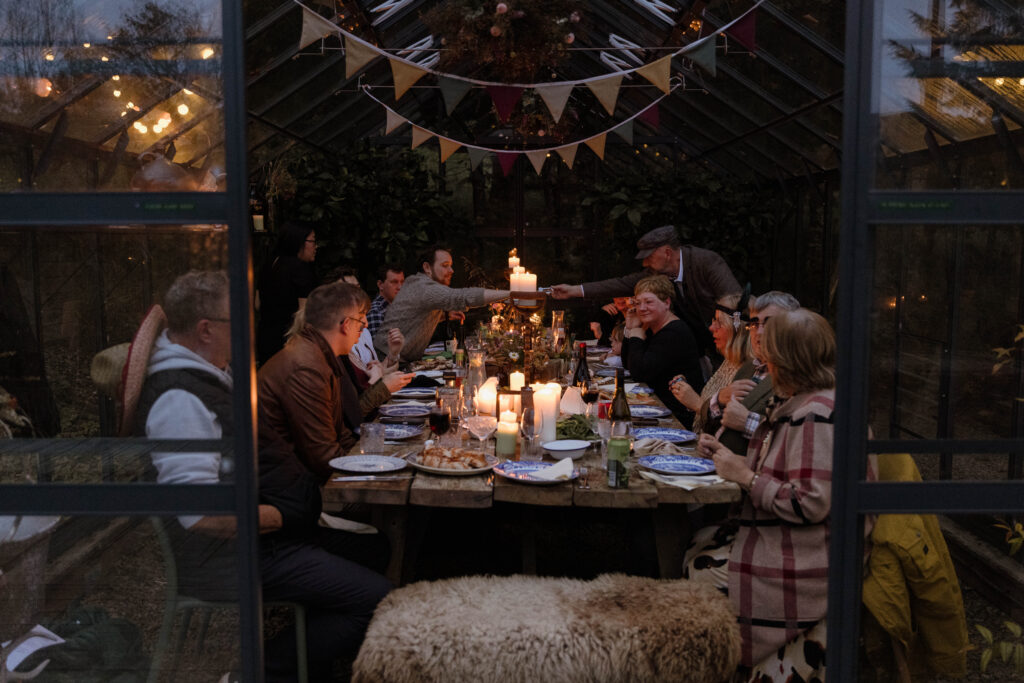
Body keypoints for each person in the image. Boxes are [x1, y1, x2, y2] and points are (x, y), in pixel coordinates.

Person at [134, 271, 391, 681]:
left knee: (374, 550)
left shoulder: (213, 372)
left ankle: (315, 659)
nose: (250, 330)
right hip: (237, 556)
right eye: (239, 320)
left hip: (269, 536)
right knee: (379, 601)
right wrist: (283, 516)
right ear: (205, 330)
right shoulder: (179, 400)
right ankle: (255, 672)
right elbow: (199, 516)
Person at [688, 309, 876, 679]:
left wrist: (744, 475)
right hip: (798, 539)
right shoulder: (808, 402)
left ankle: (732, 661)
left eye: (769, 356)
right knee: (698, 542)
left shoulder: (817, 416)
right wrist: (724, 454)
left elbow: (809, 502)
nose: (764, 363)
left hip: (812, 557)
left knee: (700, 567)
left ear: (787, 361)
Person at [550, 225, 740, 372]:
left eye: (649, 256)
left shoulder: (706, 262)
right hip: (700, 347)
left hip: (730, 342)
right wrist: (574, 290)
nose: (644, 262)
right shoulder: (657, 272)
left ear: (667, 252)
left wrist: (735, 340)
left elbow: (735, 303)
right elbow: (621, 284)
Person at [258, 281, 381, 479]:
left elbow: (341, 436)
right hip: (292, 486)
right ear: (346, 325)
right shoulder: (306, 369)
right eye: (361, 318)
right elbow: (325, 459)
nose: (366, 324)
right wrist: (377, 469)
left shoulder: (320, 355)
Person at [374, 245, 510, 361]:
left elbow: (413, 314)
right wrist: (510, 294)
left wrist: (442, 316)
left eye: (450, 266)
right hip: (385, 360)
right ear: (427, 267)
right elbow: (461, 297)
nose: (451, 271)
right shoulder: (424, 287)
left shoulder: (417, 282)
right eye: (445, 266)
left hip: (393, 358)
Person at [703, 291, 800, 453]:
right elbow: (719, 422)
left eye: (769, 323)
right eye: (754, 323)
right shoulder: (748, 368)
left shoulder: (798, 376)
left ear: (792, 328)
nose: (759, 332)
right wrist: (711, 443)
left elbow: (796, 440)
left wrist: (747, 421)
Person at [620, 275, 704, 426]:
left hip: (678, 418)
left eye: (648, 302)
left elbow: (639, 373)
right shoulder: (655, 328)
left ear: (666, 302)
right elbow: (628, 365)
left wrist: (636, 338)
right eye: (638, 303)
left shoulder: (674, 333)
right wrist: (630, 329)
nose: (642, 308)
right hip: (659, 409)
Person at [668, 290, 750, 434]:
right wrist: (687, 392)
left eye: (719, 323)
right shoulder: (729, 362)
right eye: (713, 321)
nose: (712, 328)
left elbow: (732, 430)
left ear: (737, 330)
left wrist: (697, 404)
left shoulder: (749, 371)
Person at [256, 222, 318, 364]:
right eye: (313, 241)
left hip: (265, 337)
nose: (315, 246)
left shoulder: (269, 265)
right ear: (299, 241)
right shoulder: (300, 269)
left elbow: (257, 304)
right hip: (289, 340)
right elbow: (304, 314)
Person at [367, 264, 405, 335]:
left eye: (402, 282)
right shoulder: (376, 312)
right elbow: (379, 346)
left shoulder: (401, 307)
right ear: (380, 285)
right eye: (394, 282)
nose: (400, 287)